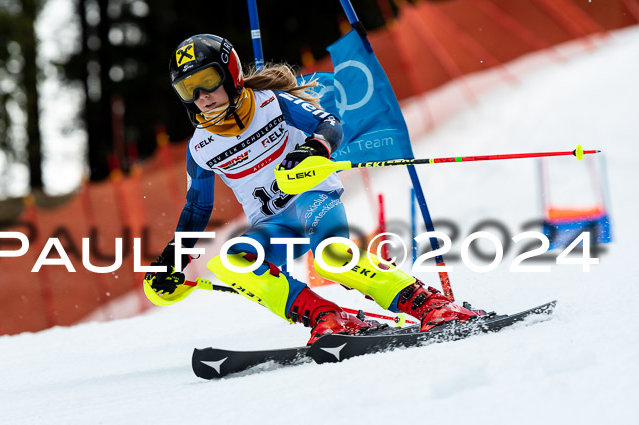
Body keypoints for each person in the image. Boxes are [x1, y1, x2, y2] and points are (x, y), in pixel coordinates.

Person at [146, 34, 482, 345]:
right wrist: (177, 254)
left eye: (207, 81)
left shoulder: (271, 104)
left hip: (312, 198)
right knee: (233, 262)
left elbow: (330, 124)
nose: (200, 96)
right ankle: (328, 317)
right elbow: (197, 208)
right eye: (188, 88)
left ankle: (431, 304)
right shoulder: (201, 147)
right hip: (273, 224)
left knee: (330, 256)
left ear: (230, 74)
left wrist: (315, 147)